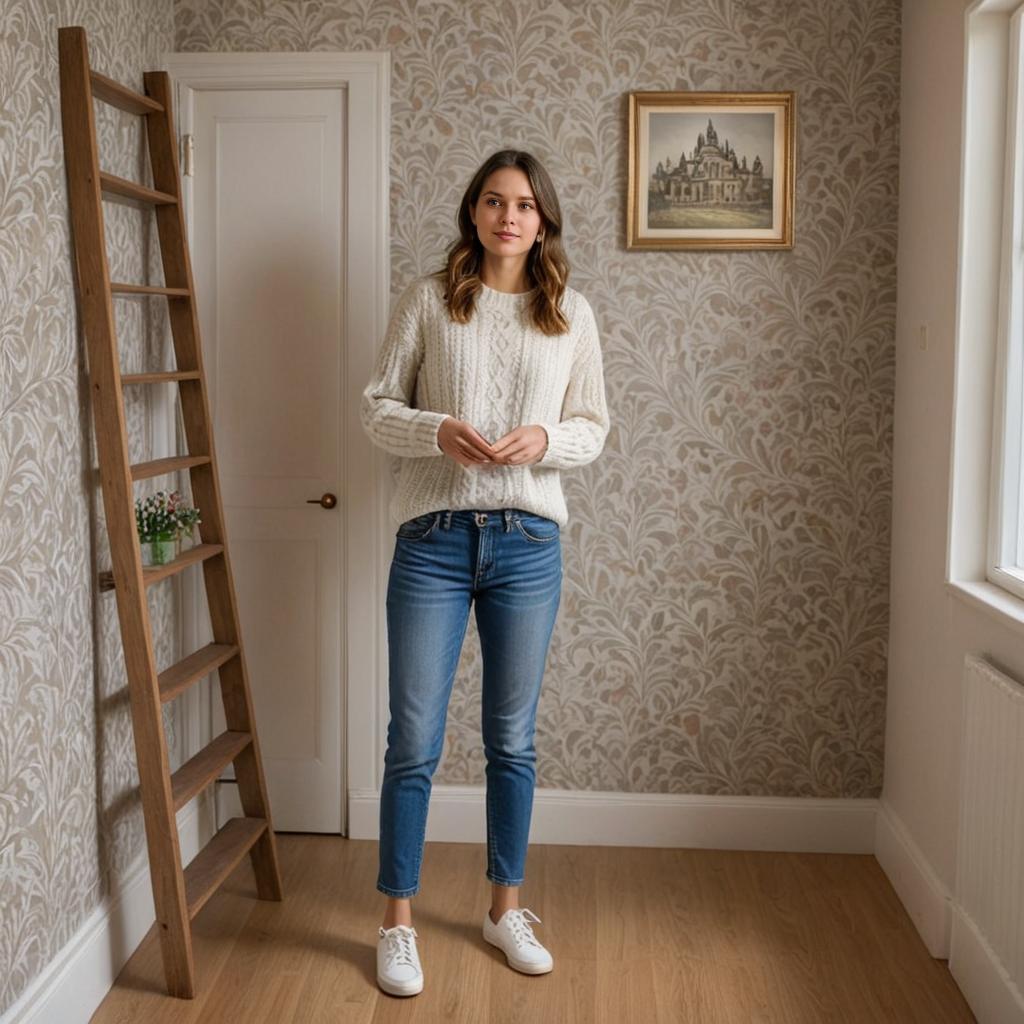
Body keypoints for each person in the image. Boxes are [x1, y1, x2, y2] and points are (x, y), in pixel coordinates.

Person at [360, 148, 610, 997]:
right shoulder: (429, 301)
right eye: (496, 201)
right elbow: (376, 405)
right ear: (473, 211)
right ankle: (397, 924)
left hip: (528, 546)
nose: (511, 216)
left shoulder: (570, 312)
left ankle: (506, 909)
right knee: (414, 741)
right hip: (431, 538)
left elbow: (593, 425)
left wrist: (545, 441)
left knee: (512, 740)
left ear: (544, 220)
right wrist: (435, 431)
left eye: (527, 204)